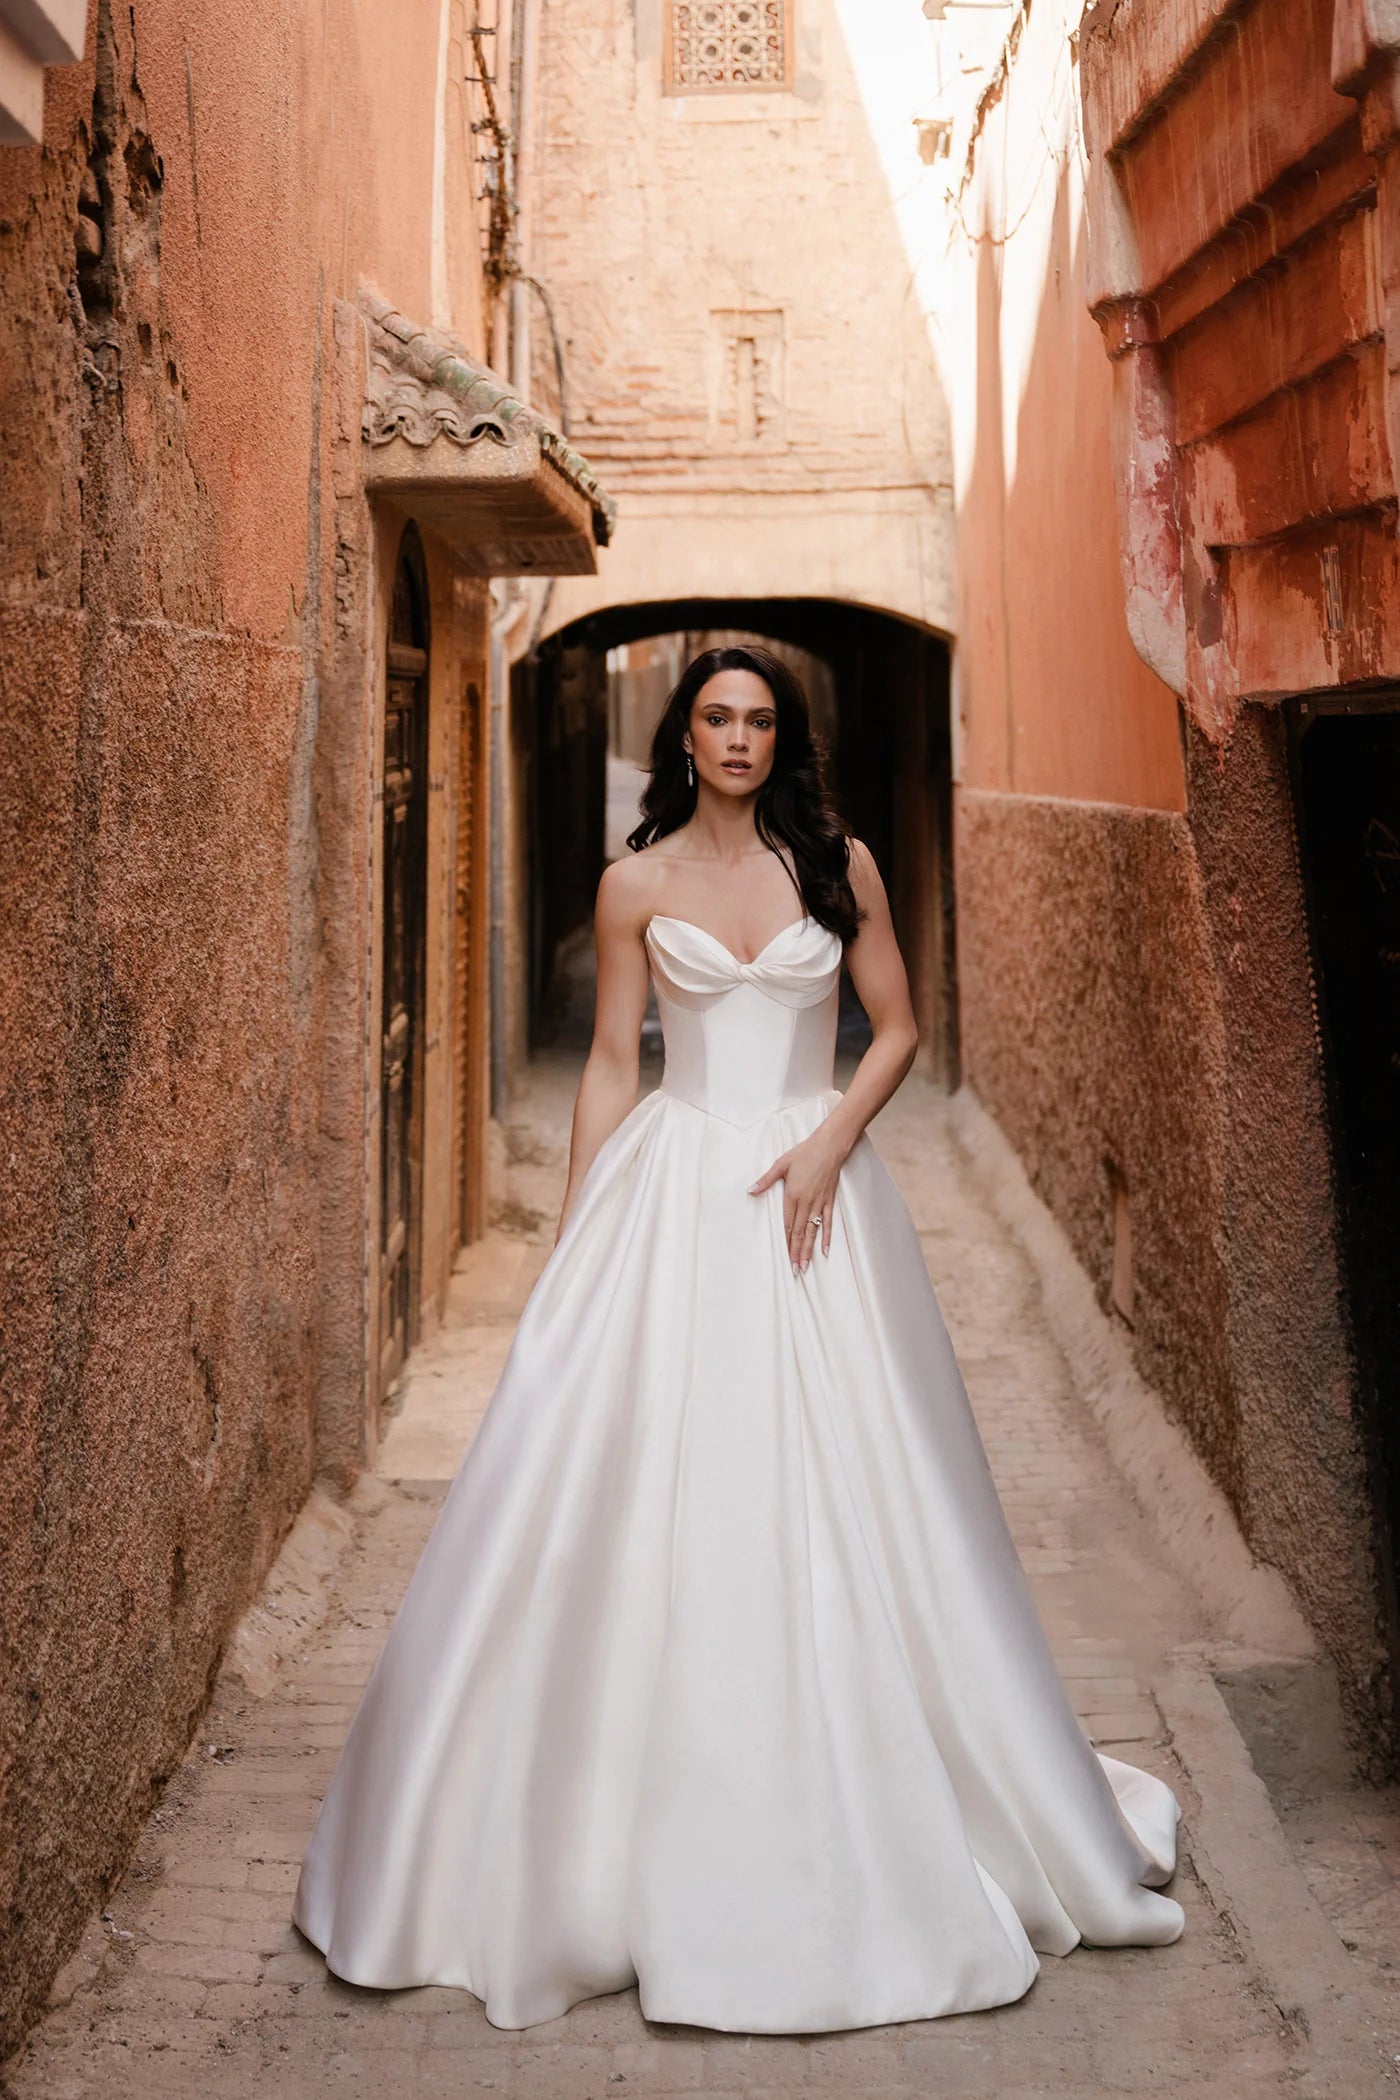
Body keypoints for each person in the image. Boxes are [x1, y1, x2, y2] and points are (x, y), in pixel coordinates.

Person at [292, 643, 1183, 2033]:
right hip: (679, 1188)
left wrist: (831, 1139)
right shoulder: (635, 882)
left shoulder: (844, 865)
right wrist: (581, 1233)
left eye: (762, 720)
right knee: (643, 1492)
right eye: (717, 717)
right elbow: (606, 1061)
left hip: (814, 1200)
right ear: (684, 735)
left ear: (785, 739)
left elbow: (891, 1029)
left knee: (860, 1491)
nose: (739, 738)